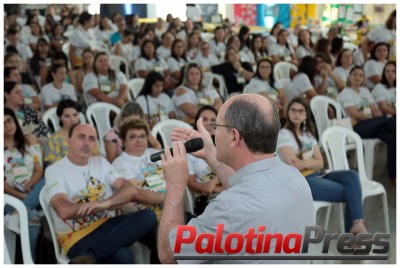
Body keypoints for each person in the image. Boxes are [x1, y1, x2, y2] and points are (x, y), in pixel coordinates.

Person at [157, 93, 314, 264]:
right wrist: (210, 153)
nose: (214, 133)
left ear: (234, 137)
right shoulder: (294, 177)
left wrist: (175, 185)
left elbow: (168, 253)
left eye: (217, 126)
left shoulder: (229, 208)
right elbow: (247, 188)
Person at [43, 123, 162, 264]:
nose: (87, 143)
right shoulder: (55, 170)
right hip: (76, 236)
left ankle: (91, 256)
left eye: (92, 139)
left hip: (107, 224)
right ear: (69, 141)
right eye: (81, 137)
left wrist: (106, 203)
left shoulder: (101, 163)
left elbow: (130, 190)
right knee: (124, 256)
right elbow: (63, 210)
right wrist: (100, 206)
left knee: (149, 218)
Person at [276, 97, 368, 235]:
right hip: (301, 181)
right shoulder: (283, 134)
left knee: (352, 176)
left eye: (301, 111)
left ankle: (357, 224)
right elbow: (293, 164)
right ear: (287, 113)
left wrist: (305, 163)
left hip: (318, 174)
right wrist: (311, 161)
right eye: (293, 110)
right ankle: (354, 235)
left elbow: (320, 162)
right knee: (350, 192)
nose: (296, 114)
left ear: (306, 115)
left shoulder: (308, 135)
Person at [337, 66, 396, 182]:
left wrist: (377, 118)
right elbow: (355, 114)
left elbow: (376, 111)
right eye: (354, 74)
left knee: (393, 137)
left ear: (364, 78)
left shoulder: (365, 91)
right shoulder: (345, 93)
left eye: (361, 75)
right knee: (388, 118)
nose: (357, 77)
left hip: (370, 125)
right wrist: (377, 117)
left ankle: (394, 176)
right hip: (355, 128)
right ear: (349, 77)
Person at [4, 108, 44, 260]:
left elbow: (39, 169)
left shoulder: (29, 140)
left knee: (50, 175)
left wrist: (28, 187)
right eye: (3, 123)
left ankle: (20, 211)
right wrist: (20, 195)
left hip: (32, 190)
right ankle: (29, 260)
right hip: (8, 197)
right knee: (32, 216)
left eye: (10, 120)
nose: (8, 125)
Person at [112, 118, 168, 218]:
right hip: (144, 214)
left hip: (169, 207)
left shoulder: (155, 153)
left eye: (142, 136)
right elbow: (137, 193)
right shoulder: (119, 163)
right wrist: (168, 196)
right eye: (133, 137)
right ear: (124, 141)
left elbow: (172, 177)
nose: (139, 140)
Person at [188, 106, 224, 216]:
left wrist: (215, 184)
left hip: (229, 191)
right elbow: (190, 183)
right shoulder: (190, 150)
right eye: (204, 119)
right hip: (206, 199)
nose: (208, 123)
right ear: (197, 123)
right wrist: (206, 187)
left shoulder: (225, 145)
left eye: (213, 120)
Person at [43, 99, 98, 167]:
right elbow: (56, 167)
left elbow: (96, 157)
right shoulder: (53, 140)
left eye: (75, 115)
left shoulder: (87, 135)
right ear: (60, 118)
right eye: (67, 116)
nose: (72, 119)